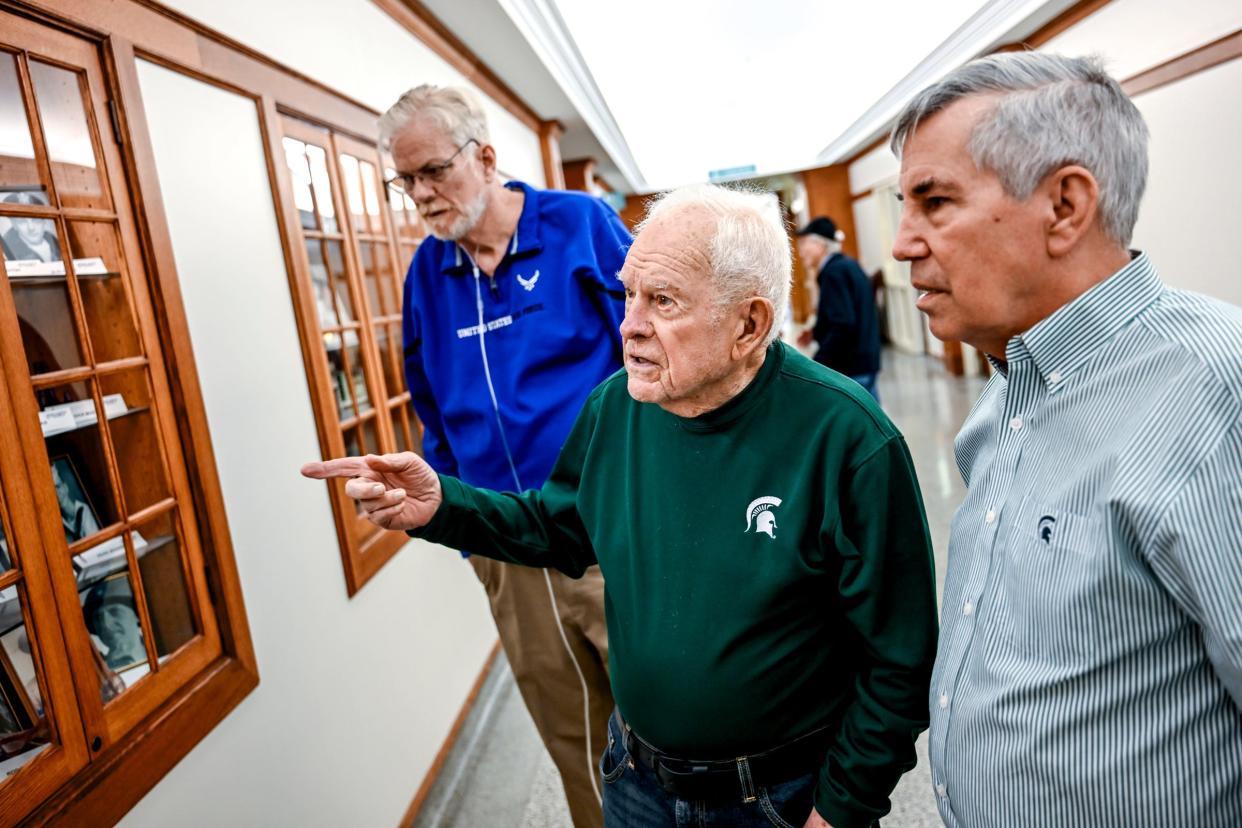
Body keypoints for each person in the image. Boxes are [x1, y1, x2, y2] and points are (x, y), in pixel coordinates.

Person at [304, 183, 938, 828]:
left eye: (662, 300)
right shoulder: (616, 406)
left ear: (749, 324)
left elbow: (899, 658)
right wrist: (443, 504)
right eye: (629, 292)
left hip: (776, 798)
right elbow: (559, 528)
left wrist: (841, 809)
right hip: (637, 781)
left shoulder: (847, 437)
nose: (629, 324)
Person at [890, 52, 1242, 826]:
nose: (902, 243)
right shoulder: (1005, 400)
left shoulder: (1213, 390)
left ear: (1064, 206)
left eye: (934, 202)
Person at [377, 83, 629, 828]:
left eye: (432, 172)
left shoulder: (578, 226)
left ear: (484, 157)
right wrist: (470, 534)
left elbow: (653, 353)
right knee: (573, 733)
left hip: (609, 527)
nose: (421, 194)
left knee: (666, 716)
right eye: (406, 181)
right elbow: (429, 403)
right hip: (509, 550)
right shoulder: (428, 273)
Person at [795, 217, 882, 399]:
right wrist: (816, 330)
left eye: (804, 244)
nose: (801, 252)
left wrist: (817, 364)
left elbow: (843, 324)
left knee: (859, 425)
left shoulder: (833, 273)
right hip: (866, 359)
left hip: (852, 367)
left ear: (820, 245)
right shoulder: (848, 264)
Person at [83, 577, 145, 671]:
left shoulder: (162, 652)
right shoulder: (96, 671)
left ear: (137, 615)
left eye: (115, 612)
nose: (106, 625)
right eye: (98, 618)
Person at [2, 192, 60, 263]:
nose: (31, 228)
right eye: (22, 222)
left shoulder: (56, 243)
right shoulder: (5, 250)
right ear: (14, 225)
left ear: (44, 221)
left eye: (36, 220)